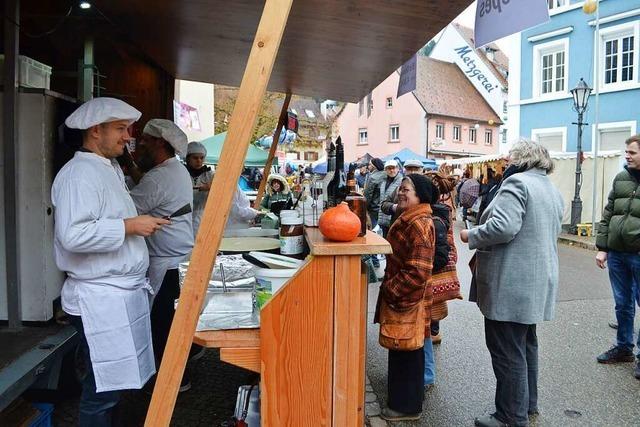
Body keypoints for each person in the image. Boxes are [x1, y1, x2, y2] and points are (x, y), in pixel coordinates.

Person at [52, 97, 170, 425]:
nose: (128, 136)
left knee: (113, 385)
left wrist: (134, 223)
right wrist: (130, 226)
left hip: (118, 294)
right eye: (120, 129)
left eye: (128, 129)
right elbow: (72, 236)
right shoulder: (79, 174)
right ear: (95, 131)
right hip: (99, 297)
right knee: (102, 389)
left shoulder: (109, 168)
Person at [460, 139, 563, 427]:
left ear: (522, 159)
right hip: (535, 280)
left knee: (507, 350)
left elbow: (503, 227)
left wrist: (473, 235)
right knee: (525, 344)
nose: (506, 162)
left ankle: (509, 417)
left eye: (510, 157)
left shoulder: (517, 183)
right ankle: (526, 404)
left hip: (511, 281)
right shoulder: (550, 188)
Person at [127, 119, 196, 391]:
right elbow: (146, 185)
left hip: (166, 263)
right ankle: (181, 368)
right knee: (171, 322)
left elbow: (129, 207)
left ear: (160, 143)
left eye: (144, 139)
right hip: (177, 258)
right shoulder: (174, 171)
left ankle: (172, 380)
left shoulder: (160, 177)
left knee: (162, 325)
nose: (139, 143)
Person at [375, 174, 438, 422]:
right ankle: (403, 403)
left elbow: (418, 270)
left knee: (408, 353)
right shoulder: (408, 217)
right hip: (404, 298)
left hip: (408, 300)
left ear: (420, 195)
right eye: (400, 189)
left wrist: (391, 289)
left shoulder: (419, 223)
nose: (401, 193)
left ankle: (407, 408)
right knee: (402, 351)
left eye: (407, 190)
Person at [595, 134, 640, 380]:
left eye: (632, 152)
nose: (627, 156)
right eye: (626, 152)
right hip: (618, 254)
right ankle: (624, 348)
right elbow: (609, 212)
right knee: (622, 304)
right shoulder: (621, 177)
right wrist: (603, 247)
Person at [185, 141, 214, 235]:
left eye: (201, 158)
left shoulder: (210, 175)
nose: (199, 161)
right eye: (195, 158)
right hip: (184, 218)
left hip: (203, 217)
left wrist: (212, 187)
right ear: (187, 158)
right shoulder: (181, 173)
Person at [377, 160, 403, 237]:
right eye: (389, 168)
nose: (391, 170)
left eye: (393, 168)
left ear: (398, 168)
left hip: (393, 218)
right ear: (385, 170)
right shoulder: (383, 181)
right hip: (383, 217)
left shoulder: (402, 181)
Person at [363, 158, 386, 228]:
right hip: (385, 207)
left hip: (374, 209)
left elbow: (367, 196)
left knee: (372, 230)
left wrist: (365, 209)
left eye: (369, 164)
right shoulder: (387, 174)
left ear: (374, 166)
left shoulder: (373, 177)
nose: (368, 166)